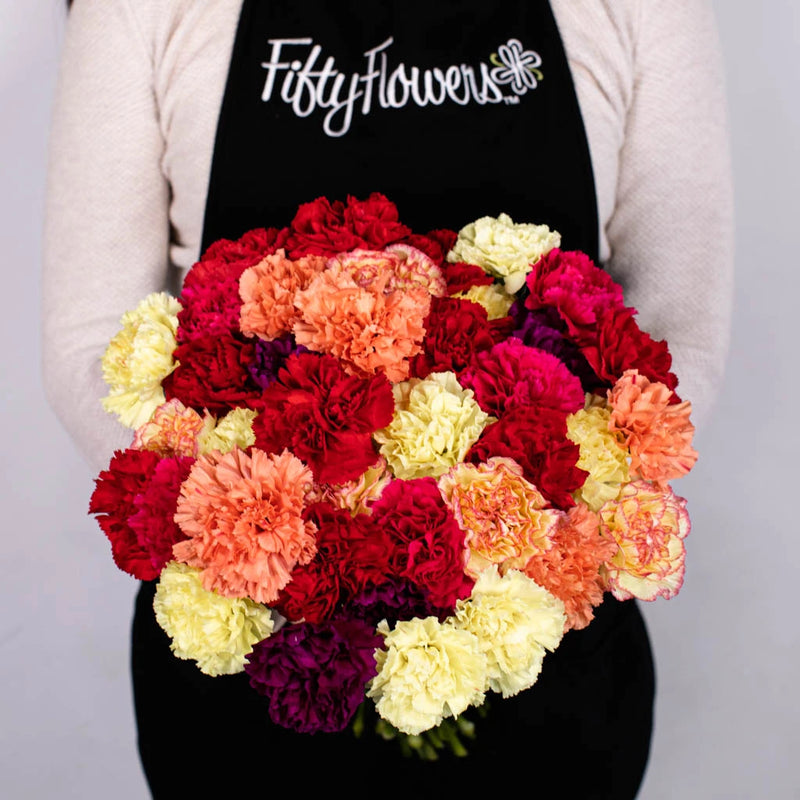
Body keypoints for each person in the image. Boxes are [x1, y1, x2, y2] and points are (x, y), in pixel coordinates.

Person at [43, 1, 733, 798]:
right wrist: (272, 538)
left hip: (540, 651)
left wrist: (492, 560)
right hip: (257, 661)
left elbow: (682, 333)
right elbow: (89, 337)